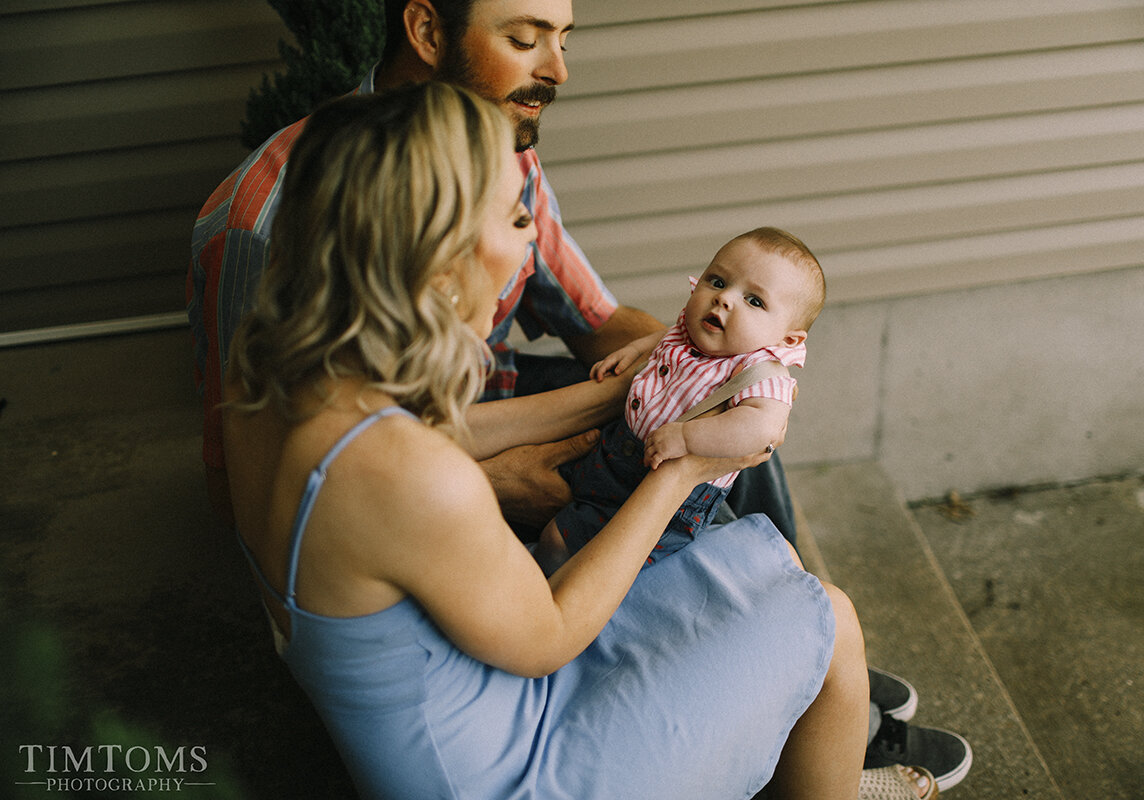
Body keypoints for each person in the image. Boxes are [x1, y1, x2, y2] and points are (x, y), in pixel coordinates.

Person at [192, 0, 969, 788]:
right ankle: (813, 741)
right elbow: (551, 630)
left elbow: (446, 429)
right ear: (443, 254)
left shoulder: (277, 371)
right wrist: (681, 468)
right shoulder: (417, 482)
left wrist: (629, 391)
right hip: (511, 765)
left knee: (779, 590)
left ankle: (800, 721)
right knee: (826, 616)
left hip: (436, 680)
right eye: (516, 215)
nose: (531, 234)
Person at [186, 0, 795, 547]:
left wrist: (727, 366)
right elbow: (244, 492)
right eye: (526, 40)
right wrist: (485, 486)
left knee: (728, 431)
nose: (558, 71)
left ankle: (798, 617)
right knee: (658, 517)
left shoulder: (507, 152)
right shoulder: (264, 221)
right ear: (426, 31)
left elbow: (595, 320)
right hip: (378, 478)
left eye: (563, 40)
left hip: (485, 398)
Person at [537, 227, 823, 572]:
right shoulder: (694, 332)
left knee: (566, 542)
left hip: (672, 495)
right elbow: (664, 337)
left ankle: (565, 588)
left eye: (754, 300)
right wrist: (631, 351)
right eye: (718, 281)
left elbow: (760, 430)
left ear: (789, 339)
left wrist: (686, 437)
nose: (725, 298)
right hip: (618, 452)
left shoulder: (761, 373)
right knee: (564, 514)